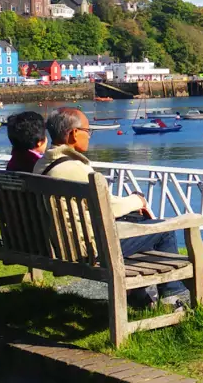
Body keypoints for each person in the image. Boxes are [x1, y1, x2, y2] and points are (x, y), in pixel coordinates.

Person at [35, 107, 190, 309]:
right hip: (89, 250)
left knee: (139, 224)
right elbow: (109, 206)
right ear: (74, 133)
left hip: (58, 244)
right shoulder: (75, 169)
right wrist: (138, 201)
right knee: (164, 231)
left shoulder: (41, 165)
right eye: (87, 131)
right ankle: (170, 296)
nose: (89, 136)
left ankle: (138, 296)